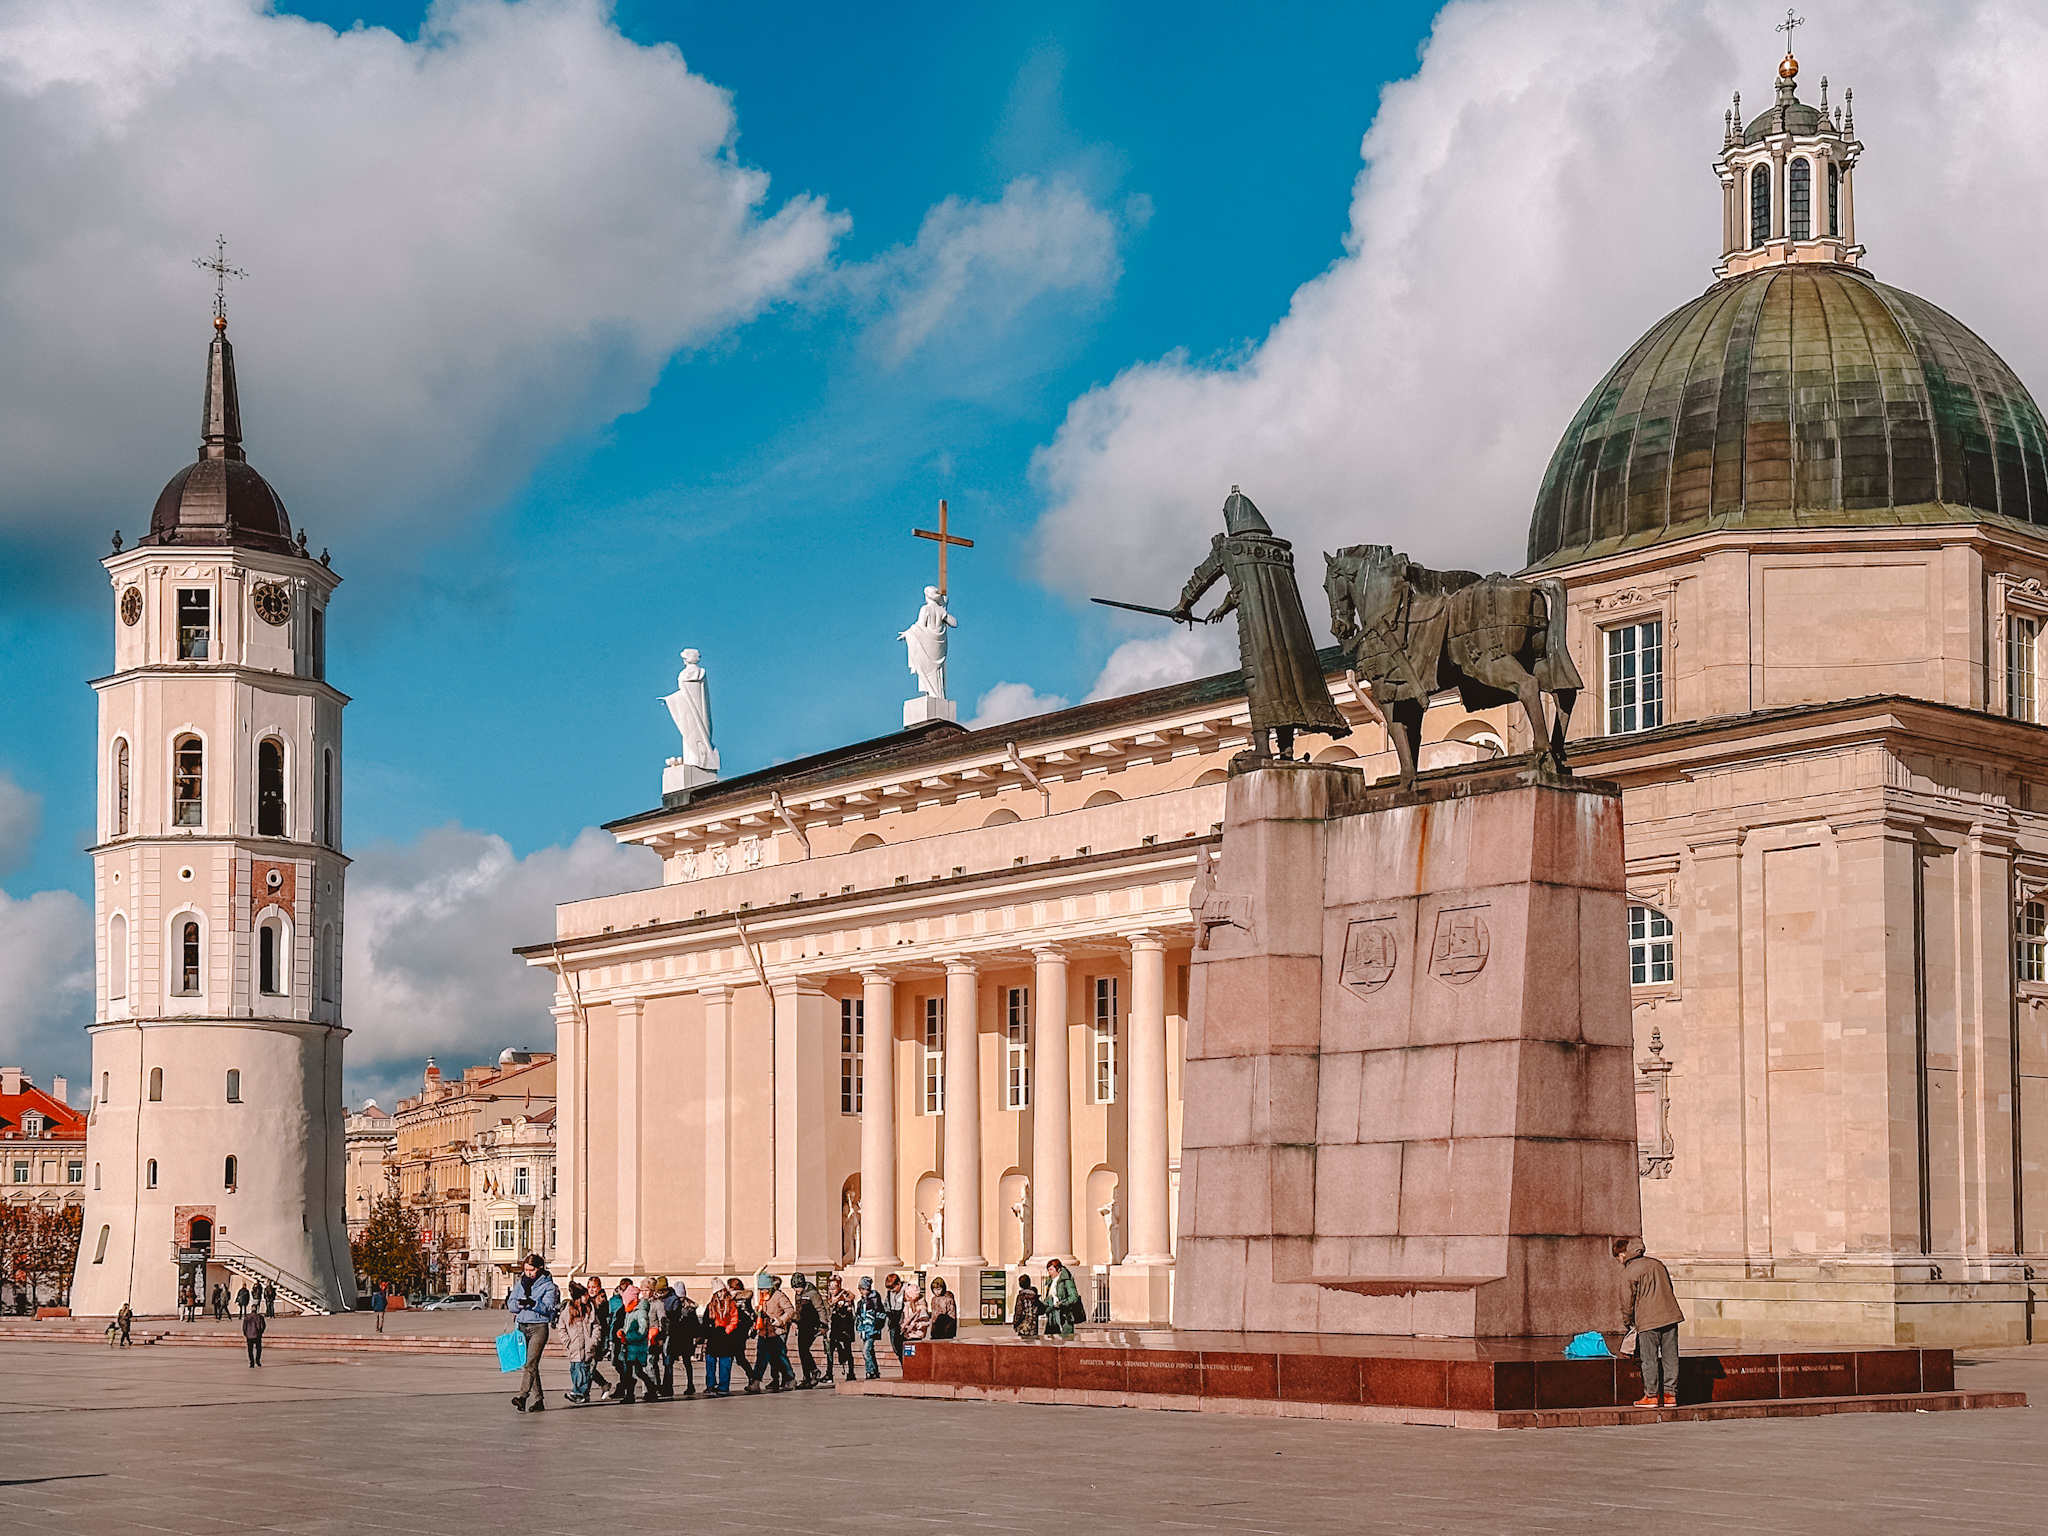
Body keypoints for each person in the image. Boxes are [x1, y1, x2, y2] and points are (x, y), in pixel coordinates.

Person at [1614, 1236, 1685, 1409]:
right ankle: (1670, 1396)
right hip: (1670, 1316)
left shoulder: (1629, 1271)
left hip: (1648, 1320)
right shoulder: (1657, 1264)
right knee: (1670, 1357)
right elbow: (1669, 1287)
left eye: (1617, 1258)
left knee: (1649, 1359)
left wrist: (1628, 1322)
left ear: (1622, 1254)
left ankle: (1651, 1396)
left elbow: (1626, 1301)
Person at [507, 1252, 561, 1413]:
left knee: (531, 1363)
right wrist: (518, 1305)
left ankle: (522, 1396)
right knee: (530, 1365)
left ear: (539, 1269)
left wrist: (533, 1303)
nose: (528, 1273)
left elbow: (549, 1308)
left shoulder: (549, 1286)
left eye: (531, 1270)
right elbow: (510, 1303)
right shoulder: (520, 1283)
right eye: (526, 1269)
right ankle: (538, 1400)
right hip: (522, 1325)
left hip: (538, 1327)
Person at [612, 1280, 654, 1403]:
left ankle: (634, 1394)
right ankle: (637, 1393)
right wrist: (622, 1331)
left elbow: (643, 1330)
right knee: (634, 1372)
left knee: (634, 1372)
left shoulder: (640, 1312)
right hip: (629, 1348)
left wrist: (628, 1336)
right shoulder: (630, 1312)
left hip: (637, 1348)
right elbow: (628, 1327)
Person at [754, 1274, 797, 1392]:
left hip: (778, 1332)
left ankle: (790, 1378)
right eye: (761, 1289)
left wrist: (780, 1320)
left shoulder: (779, 1296)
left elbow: (790, 1310)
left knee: (780, 1357)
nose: (763, 1291)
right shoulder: (761, 1298)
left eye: (765, 1289)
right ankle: (756, 1381)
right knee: (761, 1358)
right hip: (764, 1331)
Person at [704, 1279, 745, 1395]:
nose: (721, 1294)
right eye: (718, 1292)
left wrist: (727, 1330)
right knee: (710, 1360)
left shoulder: (731, 1303)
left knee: (725, 1361)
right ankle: (710, 1385)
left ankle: (723, 1386)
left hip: (727, 1336)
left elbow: (734, 1319)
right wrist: (709, 1332)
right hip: (714, 1335)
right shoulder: (711, 1305)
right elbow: (707, 1321)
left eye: (722, 1291)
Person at [561, 1289, 599, 1404]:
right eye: (584, 1295)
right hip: (574, 1346)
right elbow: (561, 1327)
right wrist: (567, 1342)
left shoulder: (590, 1309)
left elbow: (597, 1325)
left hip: (587, 1346)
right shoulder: (568, 1310)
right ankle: (583, 1394)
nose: (587, 1297)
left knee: (582, 1370)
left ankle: (578, 1393)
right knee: (575, 1369)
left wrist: (594, 1341)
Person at [791, 1273, 824, 1388]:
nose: (796, 1290)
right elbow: (798, 1310)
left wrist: (823, 1324)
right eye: (794, 1288)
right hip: (802, 1325)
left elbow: (820, 1308)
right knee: (801, 1350)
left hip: (812, 1325)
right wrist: (794, 1321)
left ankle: (814, 1371)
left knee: (804, 1349)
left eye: (798, 1287)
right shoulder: (797, 1295)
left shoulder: (812, 1294)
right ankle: (807, 1376)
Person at [584, 1277, 614, 1397]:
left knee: (590, 1365)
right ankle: (603, 1384)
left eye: (594, 1287)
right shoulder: (586, 1300)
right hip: (586, 1336)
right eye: (589, 1287)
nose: (591, 1289)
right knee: (585, 1365)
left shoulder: (602, 1302)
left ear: (599, 1287)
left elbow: (603, 1321)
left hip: (598, 1338)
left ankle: (584, 1392)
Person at [825, 1274, 857, 1384]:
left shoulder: (846, 1297)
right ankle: (829, 1373)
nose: (832, 1290)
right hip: (833, 1329)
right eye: (830, 1288)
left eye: (834, 1288)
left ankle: (851, 1372)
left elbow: (849, 1315)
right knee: (829, 1351)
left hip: (844, 1329)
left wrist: (838, 1305)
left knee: (847, 1351)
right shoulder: (829, 1298)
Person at [854, 1276, 888, 1379]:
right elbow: (858, 1315)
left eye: (864, 1289)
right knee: (870, 1350)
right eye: (861, 1289)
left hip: (872, 1329)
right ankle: (875, 1370)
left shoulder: (874, 1300)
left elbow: (881, 1314)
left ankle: (870, 1371)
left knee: (866, 1350)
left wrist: (877, 1325)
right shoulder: (861, 1302)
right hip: (864, 1329)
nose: (862, 1291)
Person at [1043, 1259, 1080, 1341]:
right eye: (1048, 1270)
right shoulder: (1050, 1281)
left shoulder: (1066, 1280)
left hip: (1064, 1315)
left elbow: (1074, 1297)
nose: (1049, 1272)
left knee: (1065, 1339)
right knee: (1050, 1340)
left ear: (1058, 1269)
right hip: (1052, 1315)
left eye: (1051, 1269)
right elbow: (1049, 1297)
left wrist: (1061, 1304)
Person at [882, 1272, 906, 1359]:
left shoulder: (907, 1290)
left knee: (905, 1348)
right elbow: (886, 1304)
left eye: (893, 1288)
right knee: (895, 1347)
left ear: (899, 1283)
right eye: (889, 1289)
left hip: (904, 1321)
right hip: (893, 1321)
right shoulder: (889, 1293)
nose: (892, 1291)